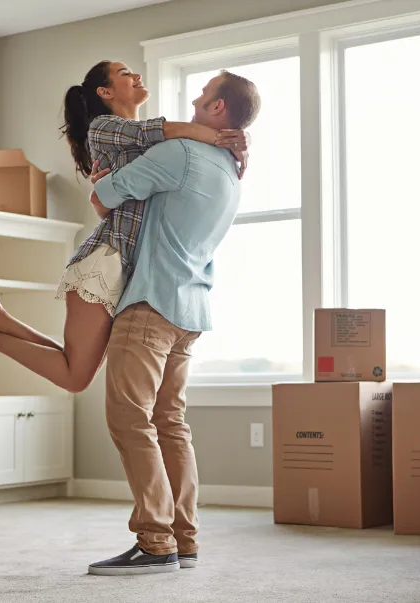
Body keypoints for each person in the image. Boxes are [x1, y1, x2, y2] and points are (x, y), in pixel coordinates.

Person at [0, 61, 248, 394]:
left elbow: (131, 198)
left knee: (74, 366)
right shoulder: (103, 127)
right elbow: (155, 133)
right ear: (104, 92)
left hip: (123, 269)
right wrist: (214, 135)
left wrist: (239, 140)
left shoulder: (156, 147)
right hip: (104, 263)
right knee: (75, 376)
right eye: (124, 74)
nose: (136, 76)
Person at [85, 70, 261, 576]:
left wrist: (104, 183)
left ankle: (155, 542)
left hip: (150, 305)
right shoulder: (231, 168)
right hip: (190, 311)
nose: (195, 97)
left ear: (220, 108)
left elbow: (103, 199)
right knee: (170, 424)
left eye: (205, 93)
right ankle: (184, 539)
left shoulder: (179, 154)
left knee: (129, 418)